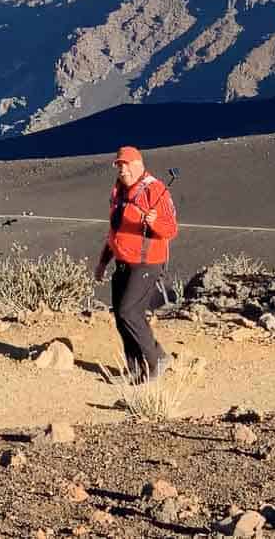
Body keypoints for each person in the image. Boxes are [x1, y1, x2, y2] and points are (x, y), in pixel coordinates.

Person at [94, 146, 178, 382]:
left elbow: (170, 229)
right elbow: (115, 231)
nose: (123, 169)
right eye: (119, 165)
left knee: (130, 311)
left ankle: (156, 359)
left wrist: (154, 223)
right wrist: (102, 262)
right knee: (121, 317)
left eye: (127, 164)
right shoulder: (119, 191)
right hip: (122, 262)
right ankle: (134, 369)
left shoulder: (155, 190)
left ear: (139, 164)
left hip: (146, 264)